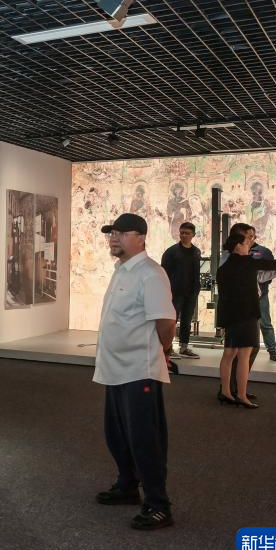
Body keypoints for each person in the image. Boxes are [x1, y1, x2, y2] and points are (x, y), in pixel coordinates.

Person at [93, 213, 177, 531]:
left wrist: (163, 351)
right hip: (114, 369)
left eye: (121, 232)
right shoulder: (121, 270)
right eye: (111, 232)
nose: (113, 237)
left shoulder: (151, 274)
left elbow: (165, 321)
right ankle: (127, 485)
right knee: (116, 435)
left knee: (145, 439)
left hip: (139, 371)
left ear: (141, 238)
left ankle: (158, 504)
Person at [216, 230, 276, 408]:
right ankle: (241, 395)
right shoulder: (248, 263)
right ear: (238, 246)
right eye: (247, 242)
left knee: (229, 353)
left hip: (230, 315)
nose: (250, 244)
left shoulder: (224, 266)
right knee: (244, 355)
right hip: (247, 314)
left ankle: (226, 392)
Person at [161, 222, 202, 359]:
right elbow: (163, 272)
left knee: (187, 320)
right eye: (182, 233)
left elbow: (196, 272)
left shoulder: (196, 252)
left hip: (191, 292)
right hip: (175, 292)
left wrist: (196, 288)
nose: (184, 235)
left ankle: (184, 347)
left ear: (193, 235)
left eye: (187, 233)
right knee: (171, 321)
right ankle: (168, 348)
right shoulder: (171, 252)